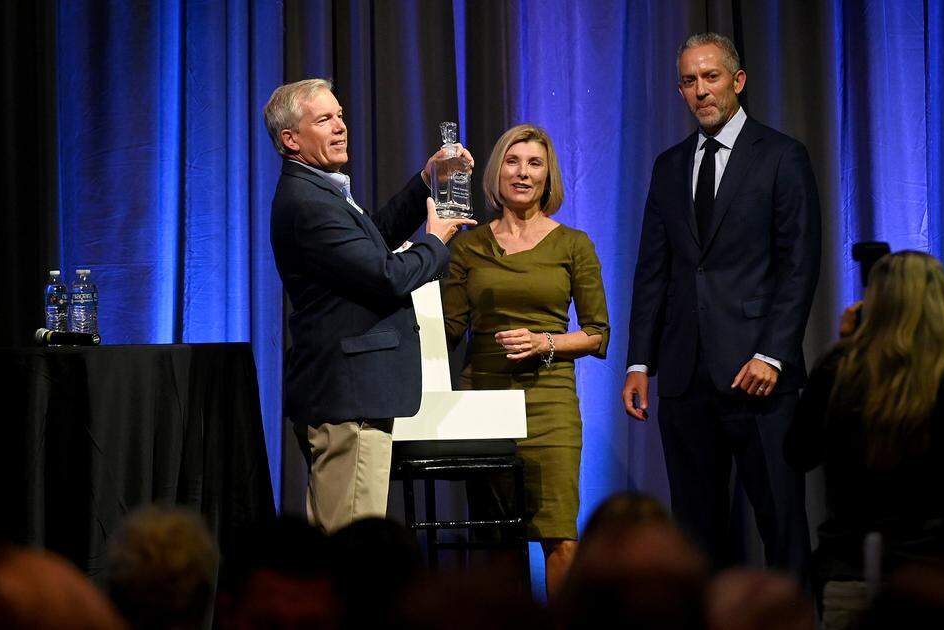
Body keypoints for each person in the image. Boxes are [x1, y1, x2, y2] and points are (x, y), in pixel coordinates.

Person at [622, 32, 821, 575]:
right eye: (689, 81)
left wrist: (773, 355)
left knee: (781, 524)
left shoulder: (781, 156)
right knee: (694, 534)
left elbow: (799, 266)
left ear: (738, 82)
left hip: (759, 376)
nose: (700, 90)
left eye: (711, 77)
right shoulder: (669, 166)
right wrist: (640, 361)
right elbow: (652, 271)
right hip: (686, 378)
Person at [266, 78, 475, 533]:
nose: (341, 127)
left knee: (341, 546)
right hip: (349, 398)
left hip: (350, 395)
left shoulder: (321, 192)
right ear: (290, 139)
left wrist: (426, 180)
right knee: (350, 551)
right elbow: (387, 275)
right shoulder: (308, 202)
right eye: (325, 119)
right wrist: (436, 243)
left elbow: (372, 242)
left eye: (340, 116)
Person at [784, 251, 944, 628]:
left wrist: (847, 347)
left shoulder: (838, 369)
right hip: (933, 571)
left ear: (875, 303)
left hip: (851, 566)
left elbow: (798, 453)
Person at [441, 124, 609, 597]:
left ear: (548, 175)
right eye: (513, 162)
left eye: (535, 163)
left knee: (559, 536)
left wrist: (545, 343)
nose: (523, 173)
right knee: (496, 540)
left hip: (549, 403)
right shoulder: (469, 245)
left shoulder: (574, 244)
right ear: (497, 172)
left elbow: (598, 334)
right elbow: (450, 329)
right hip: (484, 402)